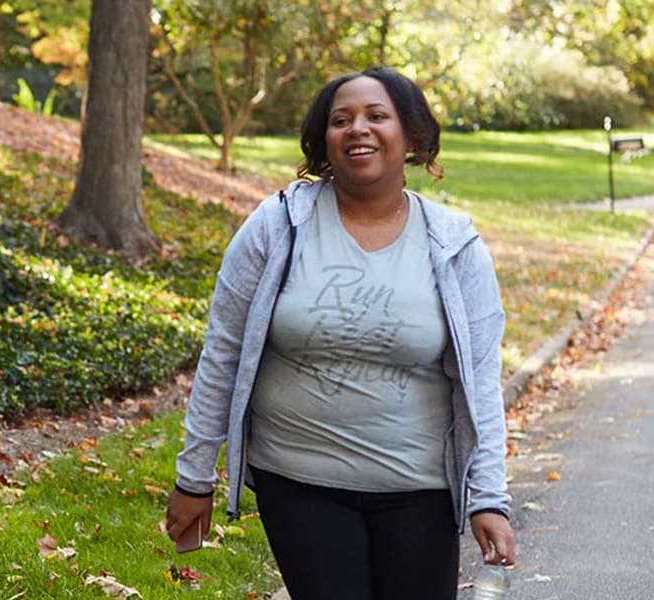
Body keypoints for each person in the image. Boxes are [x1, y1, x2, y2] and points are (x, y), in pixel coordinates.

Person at [166, 66, 515, 599]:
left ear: (412, 138)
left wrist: (487, 498)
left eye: (378, 116)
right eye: (340, 119)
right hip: (299, 481)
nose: (358, 129)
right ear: (322, 140)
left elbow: (481, 380)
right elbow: (224, 354)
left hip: (420, 487)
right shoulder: (278, 225)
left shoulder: (453, 244)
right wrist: (194, 478)